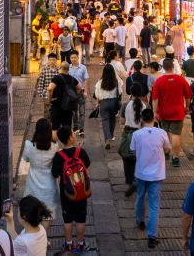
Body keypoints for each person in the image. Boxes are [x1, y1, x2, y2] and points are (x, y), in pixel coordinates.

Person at [130, 108, 172, 249]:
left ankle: (139, 219)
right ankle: (152, 236)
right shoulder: (161, 133)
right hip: (157, 174)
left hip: (141, 172)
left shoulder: (136, 134)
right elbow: (167, 149)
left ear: (141, 119)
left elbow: (133, 151)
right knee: (154, 206)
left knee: (140, 197)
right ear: (154, 119)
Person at [50, 126, 91, 255]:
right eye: (73, 133)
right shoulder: (81, 152)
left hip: (66, 193)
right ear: (71, 138)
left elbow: (55, 173)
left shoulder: (59, 155)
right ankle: (80, 245)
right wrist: (79, 149)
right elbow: (87, 164)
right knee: (80, 218)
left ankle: (68, 245)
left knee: (67, 219)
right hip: (82, 190)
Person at [151, 58, 193, 167]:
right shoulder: (181, 79)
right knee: (176, 134)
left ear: (163, 68)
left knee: (165, 133)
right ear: (173, 66)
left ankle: (166, 152)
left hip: (163, 111)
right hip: (178, 112)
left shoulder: (159, 81)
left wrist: (154, 112)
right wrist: (187, 107)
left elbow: (155, 98)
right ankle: (176, 157)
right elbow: (188, 96)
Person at [21, 118, 59, 224]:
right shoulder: (54, 146)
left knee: (32, 212)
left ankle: (35, 238)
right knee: (47, 215)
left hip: (33, 181)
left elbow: (26, 159)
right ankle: (44, 240)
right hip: (49, 182)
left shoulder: (29, 145)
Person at [119, 83, 147, 198]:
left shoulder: (125, 105)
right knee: (140, 159)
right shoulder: (146, 105)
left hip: (128, 135)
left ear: (130, 92)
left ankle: (130, 180)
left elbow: (121, 121)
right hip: (141, 135)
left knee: (127, 158)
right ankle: (139, 179)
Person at [94, 64, 122, 149]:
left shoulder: (100, 82)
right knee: (112, 119)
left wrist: (98, 102)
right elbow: (120, 92)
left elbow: (96, 94)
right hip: (113, 102)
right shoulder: (116, 81)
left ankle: (107, 139)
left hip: (104, 103)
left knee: (104, 121)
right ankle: (111, 135)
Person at [47, 62, 80, 130]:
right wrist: (74, 96)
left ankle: (55, 141)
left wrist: (49, 99)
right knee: (67, 128)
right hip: (68, 107)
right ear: (68, 69)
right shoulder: (71, 78)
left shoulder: (56, 78)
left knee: (55, 128)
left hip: (57, 106)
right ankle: (68, 140)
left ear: (60, 68)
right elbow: (79, 88)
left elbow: (50, 89)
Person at [68, 52, 89, 138]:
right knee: (73, 111)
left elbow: (86, 79)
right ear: (70, 58)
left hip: (81, 92)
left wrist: (85, 92)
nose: (73, 59)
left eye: (75, 57)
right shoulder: (68, 68)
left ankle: (81, 129)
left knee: (81, 111)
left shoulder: (83, 67)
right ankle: (75, 126)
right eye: (72, 58)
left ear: (78, 58)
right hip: (71, 93)